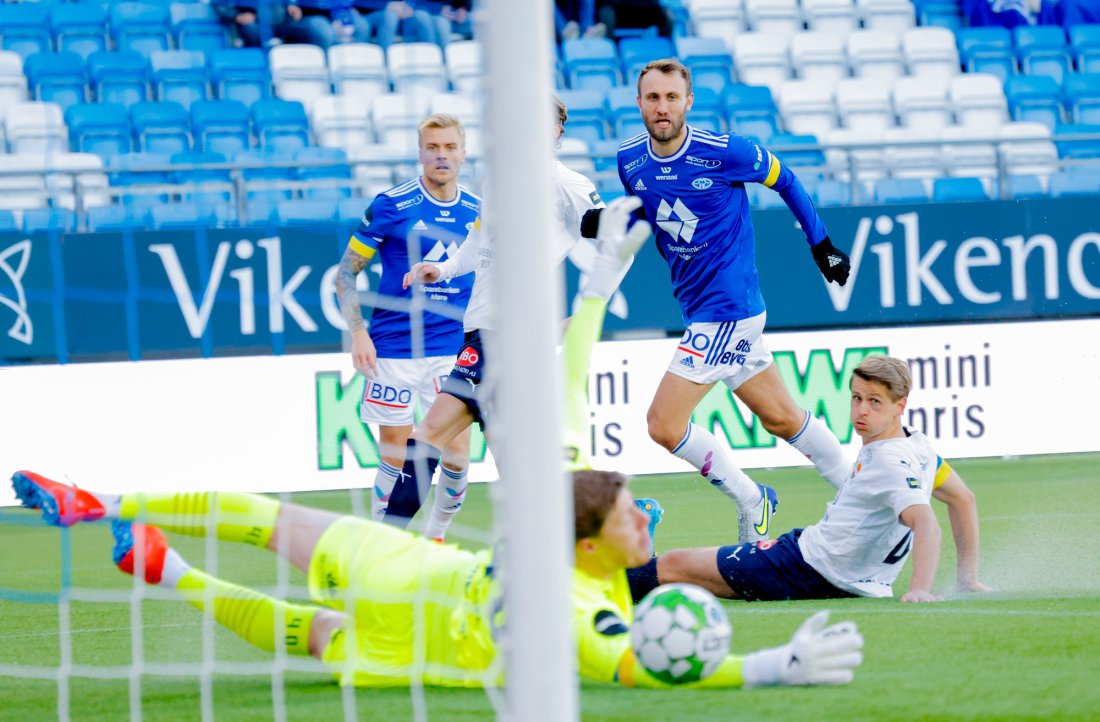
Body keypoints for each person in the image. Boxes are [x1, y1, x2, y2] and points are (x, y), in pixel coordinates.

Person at [10, 209, 863, 689]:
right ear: (597, 544)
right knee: (308, 625)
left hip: (401, 574)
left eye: (636, 516)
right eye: (635, 516)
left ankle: (119, 517)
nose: (644, 518)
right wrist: (764, 670)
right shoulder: (582, 606)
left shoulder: (561, 508)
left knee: (267, 526)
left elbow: (570, 377)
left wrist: (601, 285)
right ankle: (160, 563)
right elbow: (632, 666)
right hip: (415, 642)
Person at [613, 58, 854, 545]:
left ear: (689, 102)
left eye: (672, 97)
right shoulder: (628, 160)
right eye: (653, 98)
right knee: (782, 417)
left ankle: (751, 498)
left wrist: (821, 245)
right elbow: (645, 219)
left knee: (663, 424)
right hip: (700, 309)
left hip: (729, 311)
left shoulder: (724, 152)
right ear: (639, 103)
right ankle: (860, 491)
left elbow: (786, 179)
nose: (663, 107)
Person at [383, 95, 606, 534]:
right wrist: (441, 269)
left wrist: (584, 313)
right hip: (481, 334)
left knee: (436, 441)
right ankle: (580, 548)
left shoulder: (564, 182)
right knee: (502, 465)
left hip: (511, 340)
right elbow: (477, 243)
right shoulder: (497, 179)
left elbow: (613, 240)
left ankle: (380, 545)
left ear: (558, 130)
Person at [626, 355, 993, 604]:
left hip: (802, 566)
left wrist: (920, 590)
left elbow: (925, 521)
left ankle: (594, 583)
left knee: (676, 565)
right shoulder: (920, 448)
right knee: (684, 569)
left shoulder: (888, 461)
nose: (861, 410)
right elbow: (963, 499)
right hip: (852, 580)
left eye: (875, 402)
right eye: (856, 398)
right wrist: (967, 579)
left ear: (901, 406)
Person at [335, 113, 480, 540]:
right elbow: (345, 273)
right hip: (394, 350)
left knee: (456, 456)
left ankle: (435, 537)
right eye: (433, 148)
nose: (442, 155)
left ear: (463, 152)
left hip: (454, 351)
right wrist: (359, 332)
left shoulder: (479, 210)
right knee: (395, 457)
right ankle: (385, 544)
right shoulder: (390, 205)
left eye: (450, 147)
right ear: (420, 153)